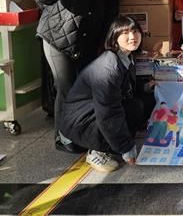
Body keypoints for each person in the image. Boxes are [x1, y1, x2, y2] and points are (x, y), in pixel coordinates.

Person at [36, 0, 122, 153]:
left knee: (83, 89)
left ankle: (80, 132)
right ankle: (63, 137)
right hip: (58, 39)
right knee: (66, 88)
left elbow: (111, 15)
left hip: (86, 43)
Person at [59, 16, 155, 173]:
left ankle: (112, 143)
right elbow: (108, 113)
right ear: (114, 37)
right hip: (79, 122)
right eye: (125, 33)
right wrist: (126, 148)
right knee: (123, 111)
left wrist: (145, 87)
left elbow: (125, 88)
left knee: (140, 103)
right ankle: (96, 151)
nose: (132, 37)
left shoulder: (125, 56)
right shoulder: (108, 68)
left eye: (135, 31)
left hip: (93, 112)